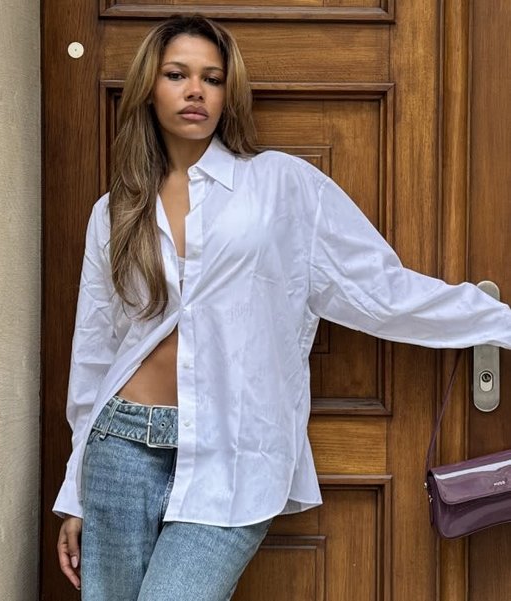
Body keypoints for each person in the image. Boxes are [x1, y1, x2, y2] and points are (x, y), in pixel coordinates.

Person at [53, 15, 511, 600]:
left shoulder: (283, 187)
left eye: (212, 78)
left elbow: (382, 291)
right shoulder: (115, 209)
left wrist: (499, 321)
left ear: (228, 93)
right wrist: (74, 493)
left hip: (235, 450)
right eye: (177, 74)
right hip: (118, 448)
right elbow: (94, 352)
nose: (196, 91)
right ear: (149, 87)